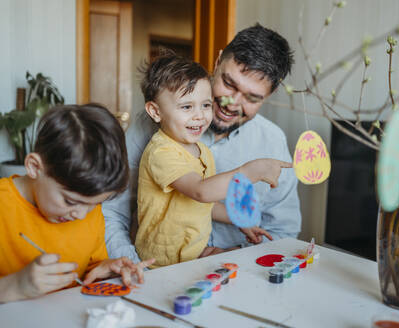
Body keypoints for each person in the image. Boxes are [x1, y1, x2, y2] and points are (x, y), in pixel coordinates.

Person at [103, 23, 301, 263]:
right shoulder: (153, 130)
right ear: (217, 62)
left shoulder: (272, 141)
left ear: (269, 95)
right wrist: (135, 270)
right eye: (229, 84)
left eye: (252, 97)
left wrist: (233, 257)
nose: (232, 103)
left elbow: (282, 234)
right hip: (155, 270)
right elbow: (112, 211)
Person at [135, 53, 291, 267]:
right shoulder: (161, 152)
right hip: (162, 262)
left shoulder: (202, 151)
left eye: (206, 105)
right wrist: (250, 172)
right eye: (187, 107)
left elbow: (206, 203)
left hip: (193, 253)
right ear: (155, 111)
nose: (200, 116)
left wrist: (240, 222)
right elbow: (201, 191)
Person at [0, 104, 154, 303]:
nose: (81, 215)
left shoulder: (88, 206)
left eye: (93, 205)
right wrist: (16, 285)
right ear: (34, 167)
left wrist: (106, 268)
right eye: (70, 201)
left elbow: (88, 267)